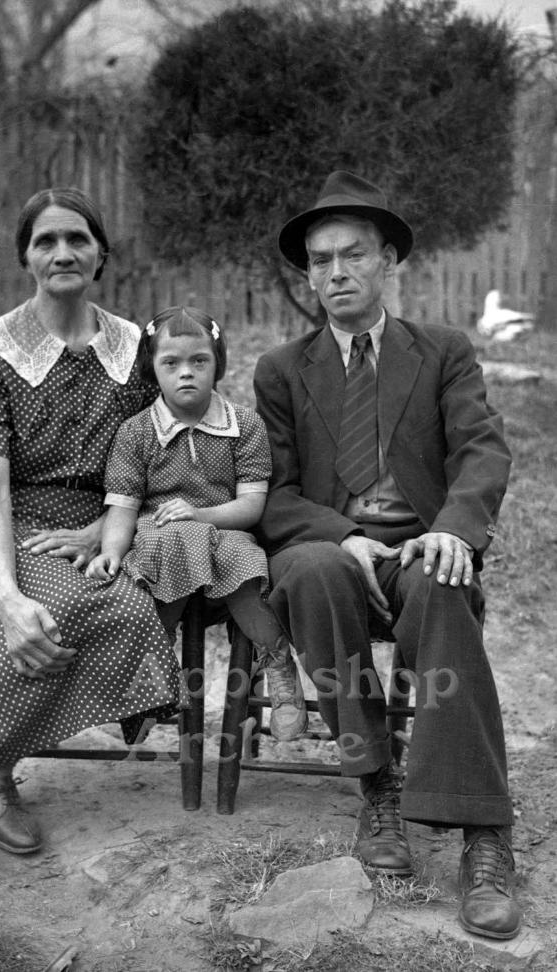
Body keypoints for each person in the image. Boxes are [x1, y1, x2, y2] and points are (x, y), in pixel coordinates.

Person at [253, 171, 521, 940]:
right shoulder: (282, 370)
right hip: (334, 552)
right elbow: (272, 491)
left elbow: (481, 450)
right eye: (320, 260)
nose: (335, 273)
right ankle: (375, 782)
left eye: (353, 255)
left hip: (419, 548)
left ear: (388, 262)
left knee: (442, 585)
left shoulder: (441, 352)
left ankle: (482, 838)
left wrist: (456, 529)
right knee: (313, 566)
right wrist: (345, 536)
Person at [0, 187, 185, 862]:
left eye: (77, 239)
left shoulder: (139, 350)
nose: (63, 252)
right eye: (46, 241)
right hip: (9, 519)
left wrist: (107, 527)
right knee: (42, 610)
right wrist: (6, 592)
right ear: (26, 258)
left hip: (104, 517)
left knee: (124, 610)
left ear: (101, 255)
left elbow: (168, 451)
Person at [86, 305, 307, 742]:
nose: (186, 373)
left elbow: (250, 506)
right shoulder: (136, 432)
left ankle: (279, 664)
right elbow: (125, 507)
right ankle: (149, 684)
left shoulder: (243, 425)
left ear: (217, 364)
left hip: (224, 533)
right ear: (153, 367)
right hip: (159, 542)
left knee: (244, 562)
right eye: (171, 363)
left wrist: (199, 514)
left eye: (199, 361)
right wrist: (110, 552)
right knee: (163, 551)